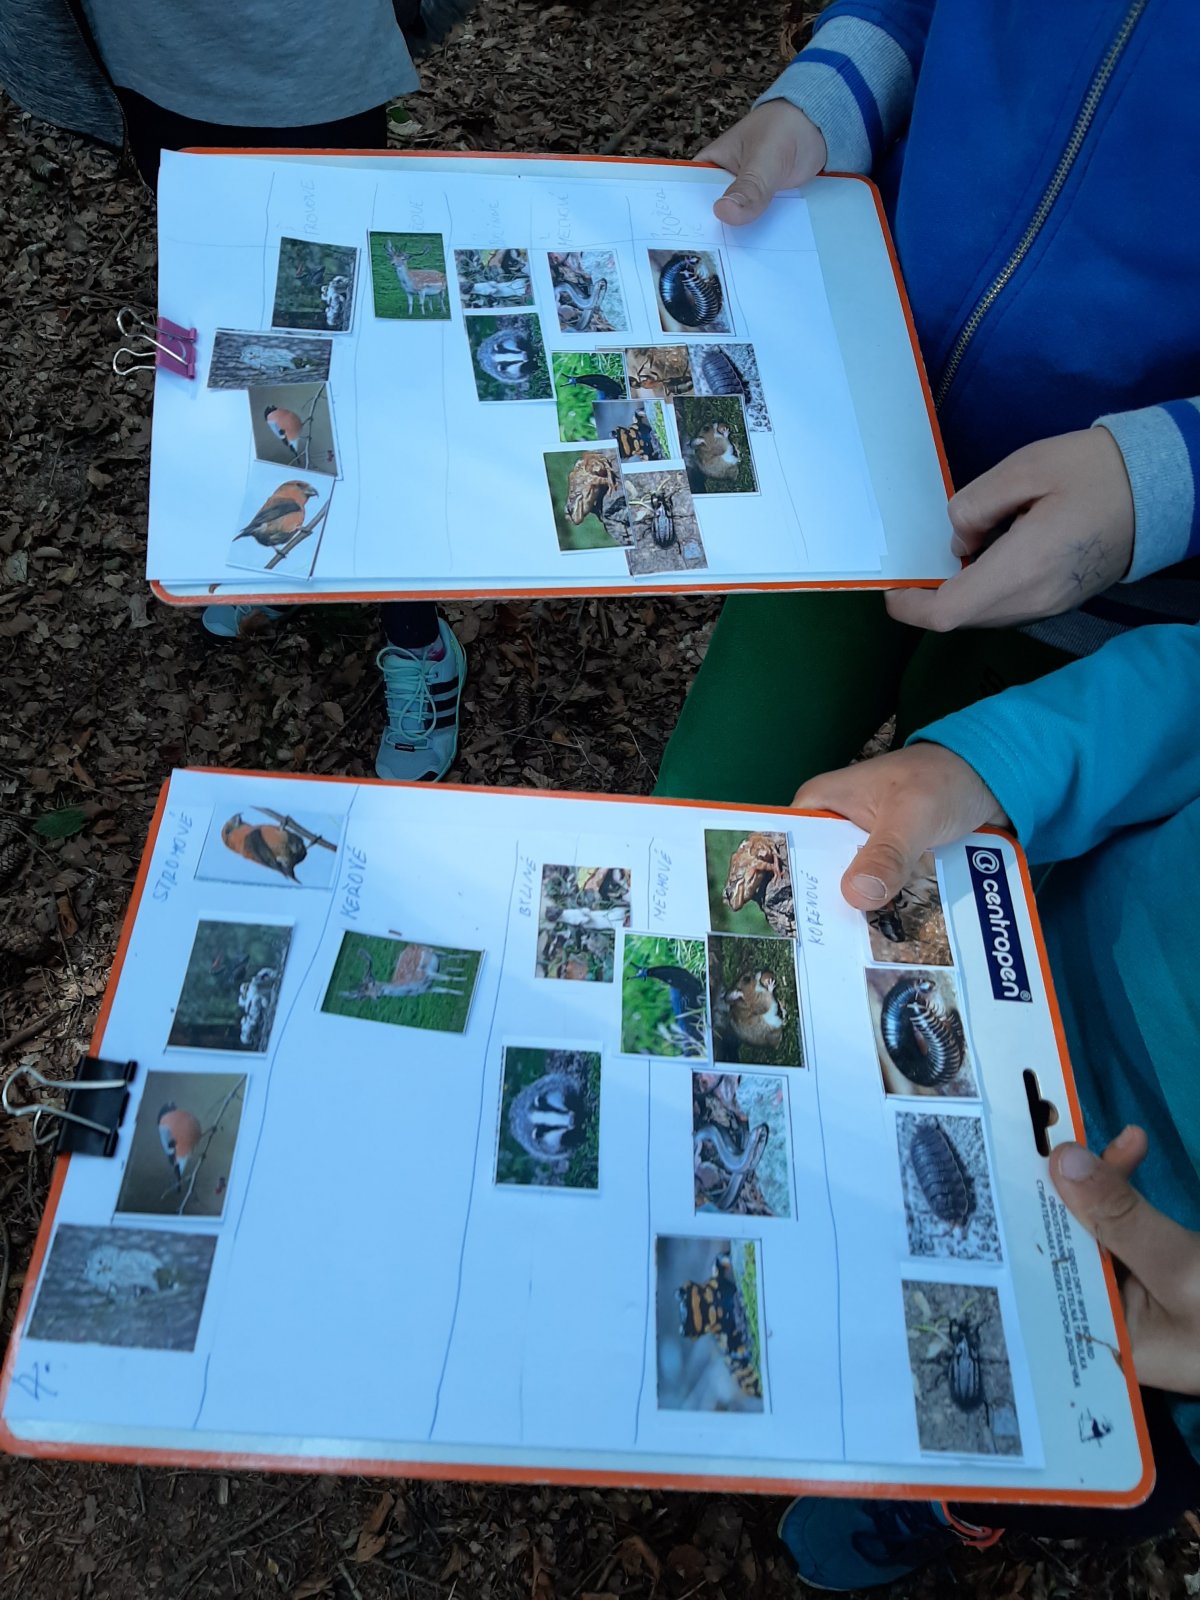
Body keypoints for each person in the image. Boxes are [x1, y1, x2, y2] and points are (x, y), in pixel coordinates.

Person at [656, 0, 1200, 805]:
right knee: (712, 798)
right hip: (853, 465)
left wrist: (1163, 479)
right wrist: (827, 98)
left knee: (951, 853)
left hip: (1114, 594)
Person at [771, 617, 1200, 1589]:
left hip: (1163, 1327)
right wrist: (987, 766)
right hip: (1011, 995)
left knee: (1080, 1451)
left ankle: (957, 1500)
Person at [0, 0, 474, 782]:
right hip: (159, 69)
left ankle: (418, 639)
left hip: (312, 67)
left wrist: (418, 15)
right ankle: (293, 542)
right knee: (253, 339)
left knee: (352, 362)